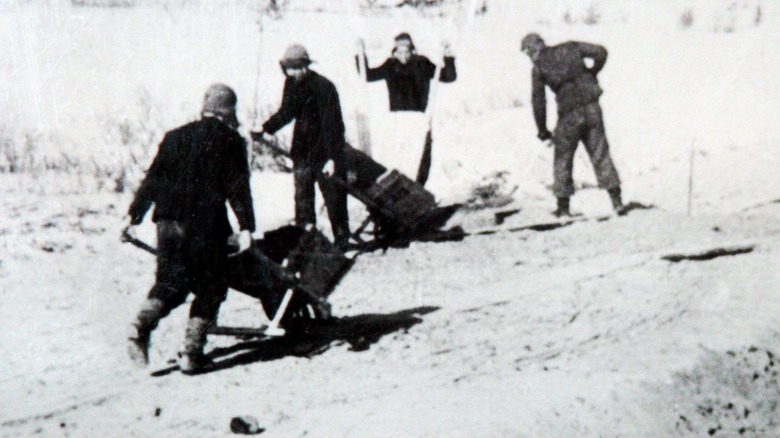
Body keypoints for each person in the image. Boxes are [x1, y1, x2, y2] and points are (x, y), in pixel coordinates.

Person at [124, 84, 256, 374]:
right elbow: (238, 188)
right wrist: (246, 226)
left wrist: (133, 217)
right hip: (204, 224)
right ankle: (192, 352)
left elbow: (152, 180)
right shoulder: (231, 140)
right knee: (212, 285)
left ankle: (139, 327)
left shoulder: (174, 137)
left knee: (170, 282)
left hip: (167, 222)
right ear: (229, 111)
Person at [252, 44, 350, 249]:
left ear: (306, 65)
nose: (293, 73)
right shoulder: (291, 84)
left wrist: (333, 158)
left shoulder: (325, 87)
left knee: (334, 198)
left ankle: (342, 241)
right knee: (303, 200)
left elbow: (334, 125)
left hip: (325, 152)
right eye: (289, 69)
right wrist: (265, 128)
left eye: (296, 68)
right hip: (302, 152)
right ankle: (308, 243)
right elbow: (286, 112)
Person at [520, 33, 626, 217]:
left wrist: (543, 131)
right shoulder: (570, 47)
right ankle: (617, 202)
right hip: (592, 108)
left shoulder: (538, 67)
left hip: (570, 114)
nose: (529, 58)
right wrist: (593, 72)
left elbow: (539, 101)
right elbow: (601, 52)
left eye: (528, 54)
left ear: (533, 50)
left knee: (563, 157)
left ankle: (563, 209)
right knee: (601, 153)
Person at [357, 32, 457, 112]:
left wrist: (448, 57)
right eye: (400, 52)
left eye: (406, 52)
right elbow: (368, 76)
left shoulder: (422, 64)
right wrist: (360, 55)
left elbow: (448, 77)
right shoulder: (391, 65)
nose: (403, 56)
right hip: (398, 118)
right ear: (395, 52)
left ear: (412, 51)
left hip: (420, 116)